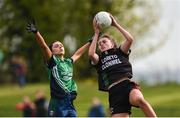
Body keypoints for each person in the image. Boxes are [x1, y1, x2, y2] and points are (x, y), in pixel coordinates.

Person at [88, 13, 157, 117]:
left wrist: (115, 24)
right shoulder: (100, 59)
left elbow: (130, 39)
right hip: (114, 93)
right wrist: (96, 33)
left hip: (127, 85)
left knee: (139, 100)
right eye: (99, 43)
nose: (101, 44)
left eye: (104, 41)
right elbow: (91, 54)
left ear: (112, 44)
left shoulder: (119, 52)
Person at [26, 20, 91, 117]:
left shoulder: (68, 62)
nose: (60, 46)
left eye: (61, 45)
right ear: (51, 51)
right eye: (57, 46)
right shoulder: (52, 61)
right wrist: (36, 33)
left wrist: (90, 42)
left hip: (69, 103)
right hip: (57, 104)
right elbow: (43, 46)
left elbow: (78, 53)